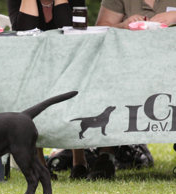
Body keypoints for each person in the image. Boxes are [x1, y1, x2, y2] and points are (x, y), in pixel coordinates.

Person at [70, 0, 176, 180]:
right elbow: (100, 31)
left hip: (171, 66)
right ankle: (106, 156)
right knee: (104, 74)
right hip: (127, 67)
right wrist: (123, 26)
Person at [7, 0, 85, 174]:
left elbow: (69, 31)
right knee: (32, 87)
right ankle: (39, 163)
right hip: (33, 63)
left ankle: (79, 160)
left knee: (76, 82)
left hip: (70, 60)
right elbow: (25, 32)